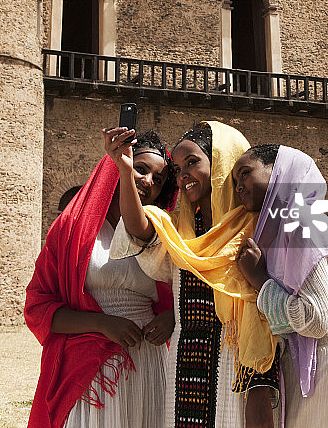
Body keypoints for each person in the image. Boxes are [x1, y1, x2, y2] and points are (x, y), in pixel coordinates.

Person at [104, 120, 280, 428]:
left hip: (237, 359)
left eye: (192, 162)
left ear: (222, 163)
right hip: (186, 361)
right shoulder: (180, 230)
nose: (183, 174)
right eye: (177, 167)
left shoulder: (257, 226)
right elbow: (139, 228)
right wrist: (123, 169)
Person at [24, 130, 177, 428]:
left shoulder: (163, 233)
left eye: (157, 180)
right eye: (141, 168)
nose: (147, 181)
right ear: (121, 163)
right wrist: (103, 323)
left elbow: (183, 294)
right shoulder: (69, 228)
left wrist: (172, 317)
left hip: (147, 357)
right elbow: (38, 307)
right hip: (90, 366)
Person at [233, 144, 328, 428]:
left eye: (246, 174)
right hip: (322, 372)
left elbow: (314, 319)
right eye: (235, 181)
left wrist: (259, 279)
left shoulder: (300, 223)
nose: (239, 186)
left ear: (279, 174)